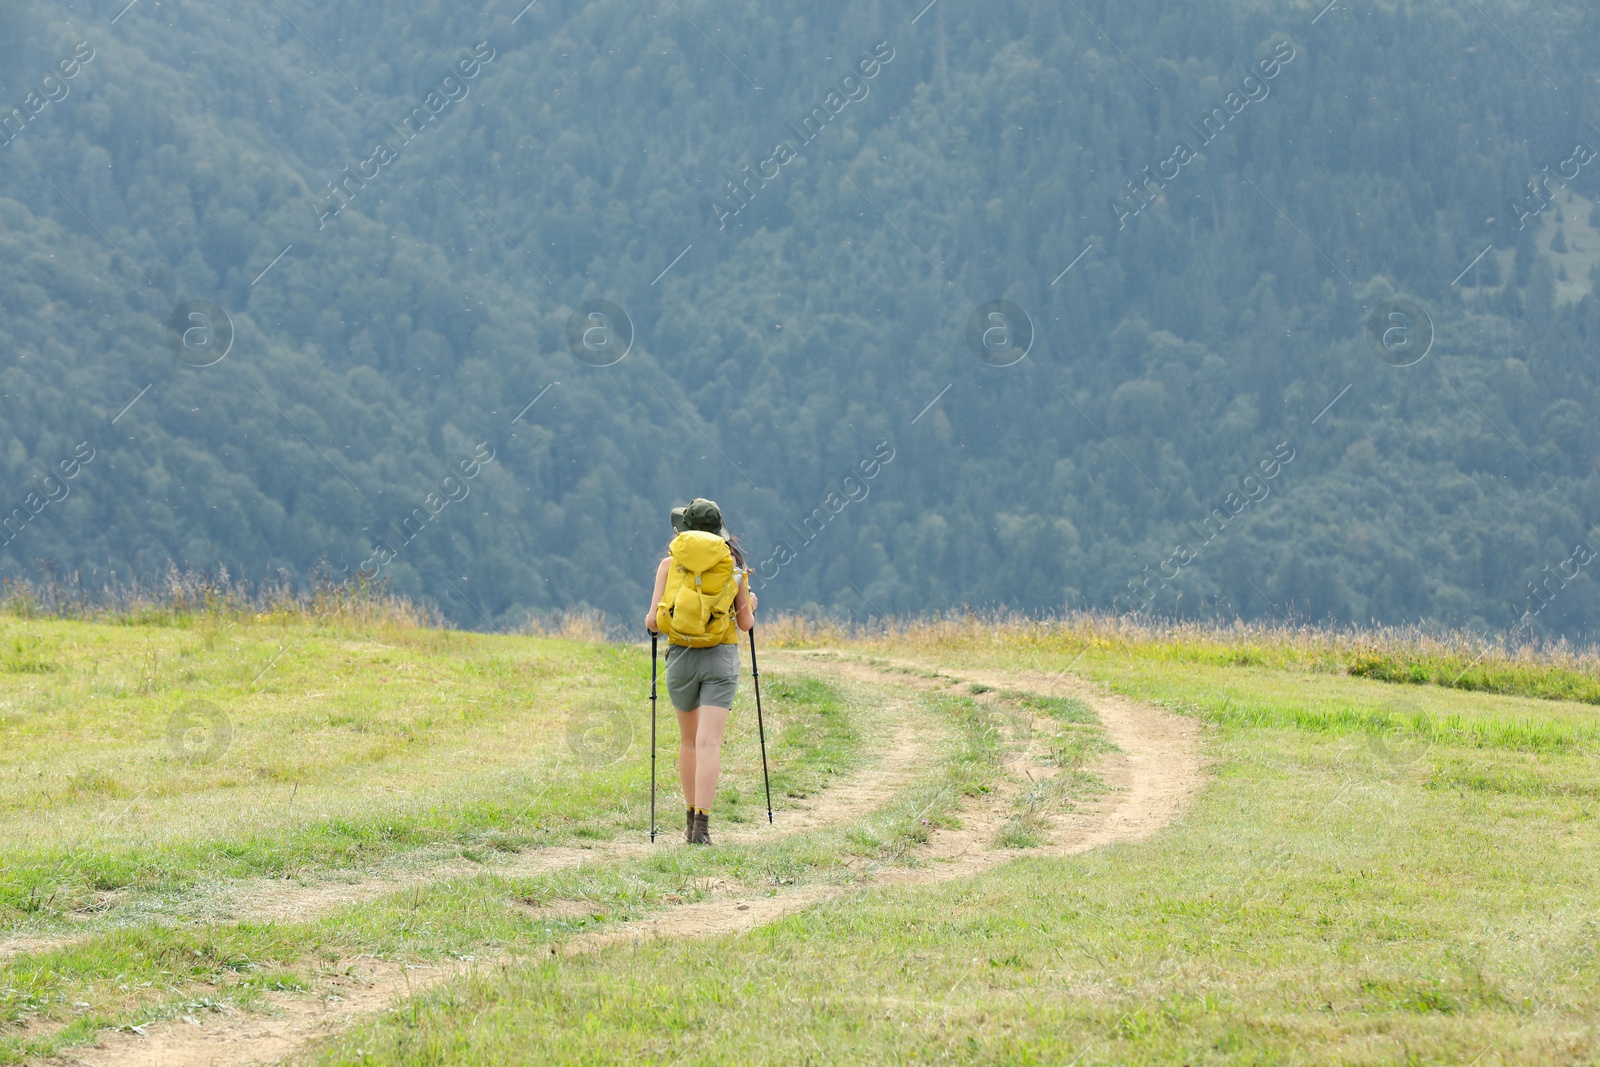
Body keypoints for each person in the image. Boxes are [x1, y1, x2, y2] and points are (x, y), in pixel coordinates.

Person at [643, 498, 757, 844]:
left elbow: (652, 623)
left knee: (689, 741)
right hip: (719, 658)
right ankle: (702, 831)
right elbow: (745, 624)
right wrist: (749, 604)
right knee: (709, 742)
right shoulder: (733, 567)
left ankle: (688, 818)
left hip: (680, 659)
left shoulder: (669, 565)